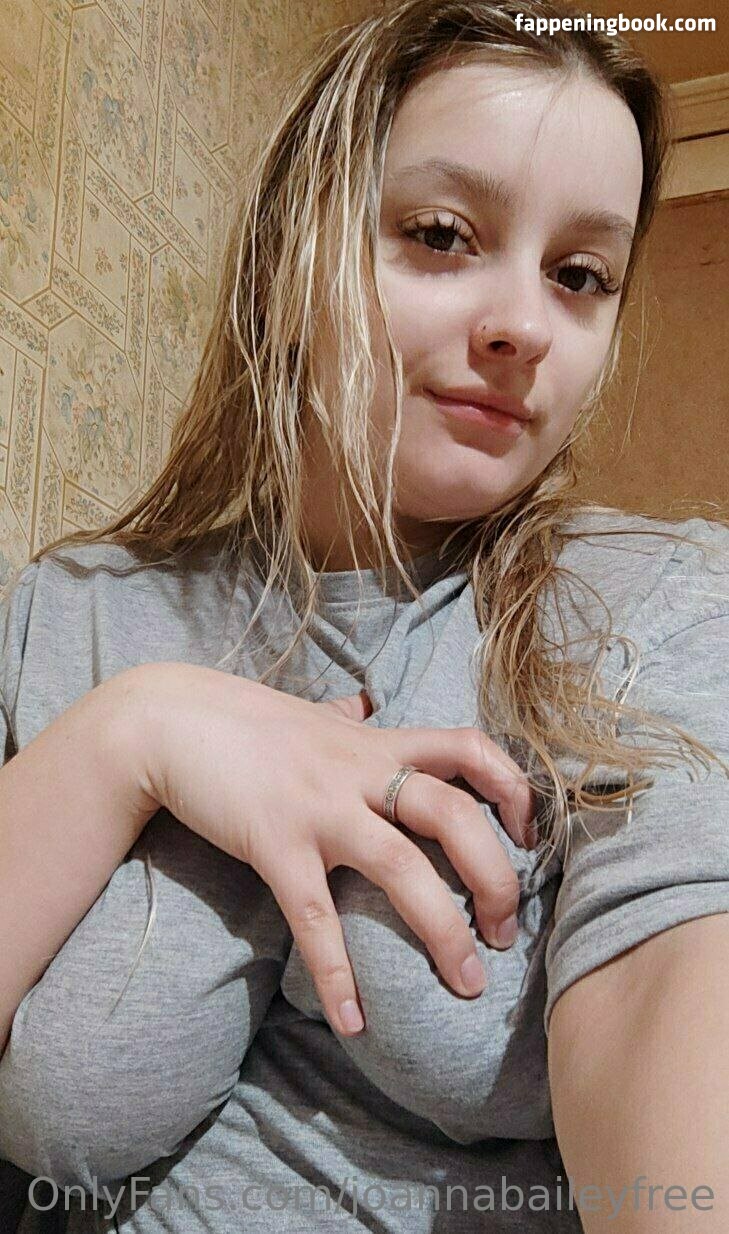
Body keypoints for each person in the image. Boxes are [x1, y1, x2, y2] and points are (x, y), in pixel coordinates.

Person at [1, 0, 728, 1231]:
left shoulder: (650, 606)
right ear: (298, 245)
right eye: (443, 235)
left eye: (580, 275)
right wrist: (139, 731)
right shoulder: (74, 613)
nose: (524, 325)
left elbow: (676, 1018)